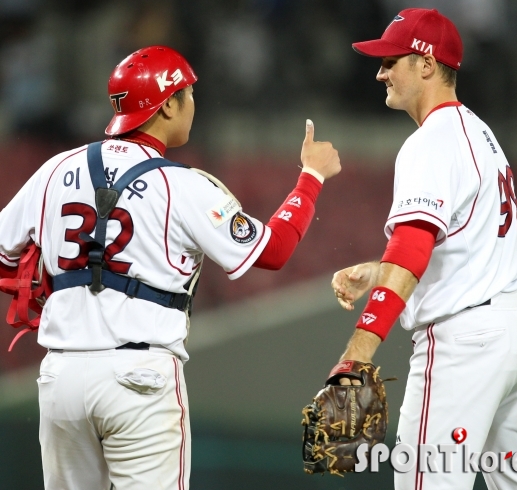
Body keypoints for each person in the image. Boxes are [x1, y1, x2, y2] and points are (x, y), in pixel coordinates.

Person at [0, 45, 340, 490]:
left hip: (61, 376)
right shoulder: (181, 183)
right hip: (139, 379)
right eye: (188, 93)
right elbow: (271, 251)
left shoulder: (54, 170)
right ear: (166, 105)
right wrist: (310, 178)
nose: (193, 103)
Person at [331, 8, 517, 489]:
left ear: (427, 65)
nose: (380, 71)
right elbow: (458, 244)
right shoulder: (481, 134)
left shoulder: (430, 141)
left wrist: (358, 353)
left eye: (392, 60)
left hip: (464, 345)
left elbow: (412, 251)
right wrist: (376, 271)